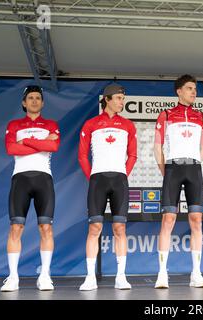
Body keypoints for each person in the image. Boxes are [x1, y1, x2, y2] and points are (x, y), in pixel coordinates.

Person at [78, 83, 137, 291]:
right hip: (97, 180)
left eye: (123, 98)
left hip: (119, 180)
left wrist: (123, 174)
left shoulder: (128, 125)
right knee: (94, 228)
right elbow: (83, 155)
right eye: (119, 98)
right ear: (107, 99)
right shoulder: (91, 124)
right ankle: (90, 277)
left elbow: (133, 155)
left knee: (119, 227)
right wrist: (92, 176)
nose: (122, 102)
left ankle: (121, 276)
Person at [1, 85, 60, 292]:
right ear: (24, 102)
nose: (34, 101)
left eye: (38, 98)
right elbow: (11, 148)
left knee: (46, 228)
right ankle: (13, 277)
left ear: (42, 103)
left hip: (44, 179)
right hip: (20, 180)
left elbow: (53, 147)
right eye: (30, 98)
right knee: (16, 228)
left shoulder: (51, 124)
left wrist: (25, 140)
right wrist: (41, 142)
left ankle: (44, 276)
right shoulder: (14, 124)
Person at [153, 74, 203, 289]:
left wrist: (194, 161)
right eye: (189, 88)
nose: (193, 92)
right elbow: (157, 147)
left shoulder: (202, 117)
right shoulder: (166, 115)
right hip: (173, 168)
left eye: (195, 88)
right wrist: (165, 171)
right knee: (168, 219)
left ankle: (196, 273)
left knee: (196, 220)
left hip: (194, 169)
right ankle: (162, 274)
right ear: (179, 91)